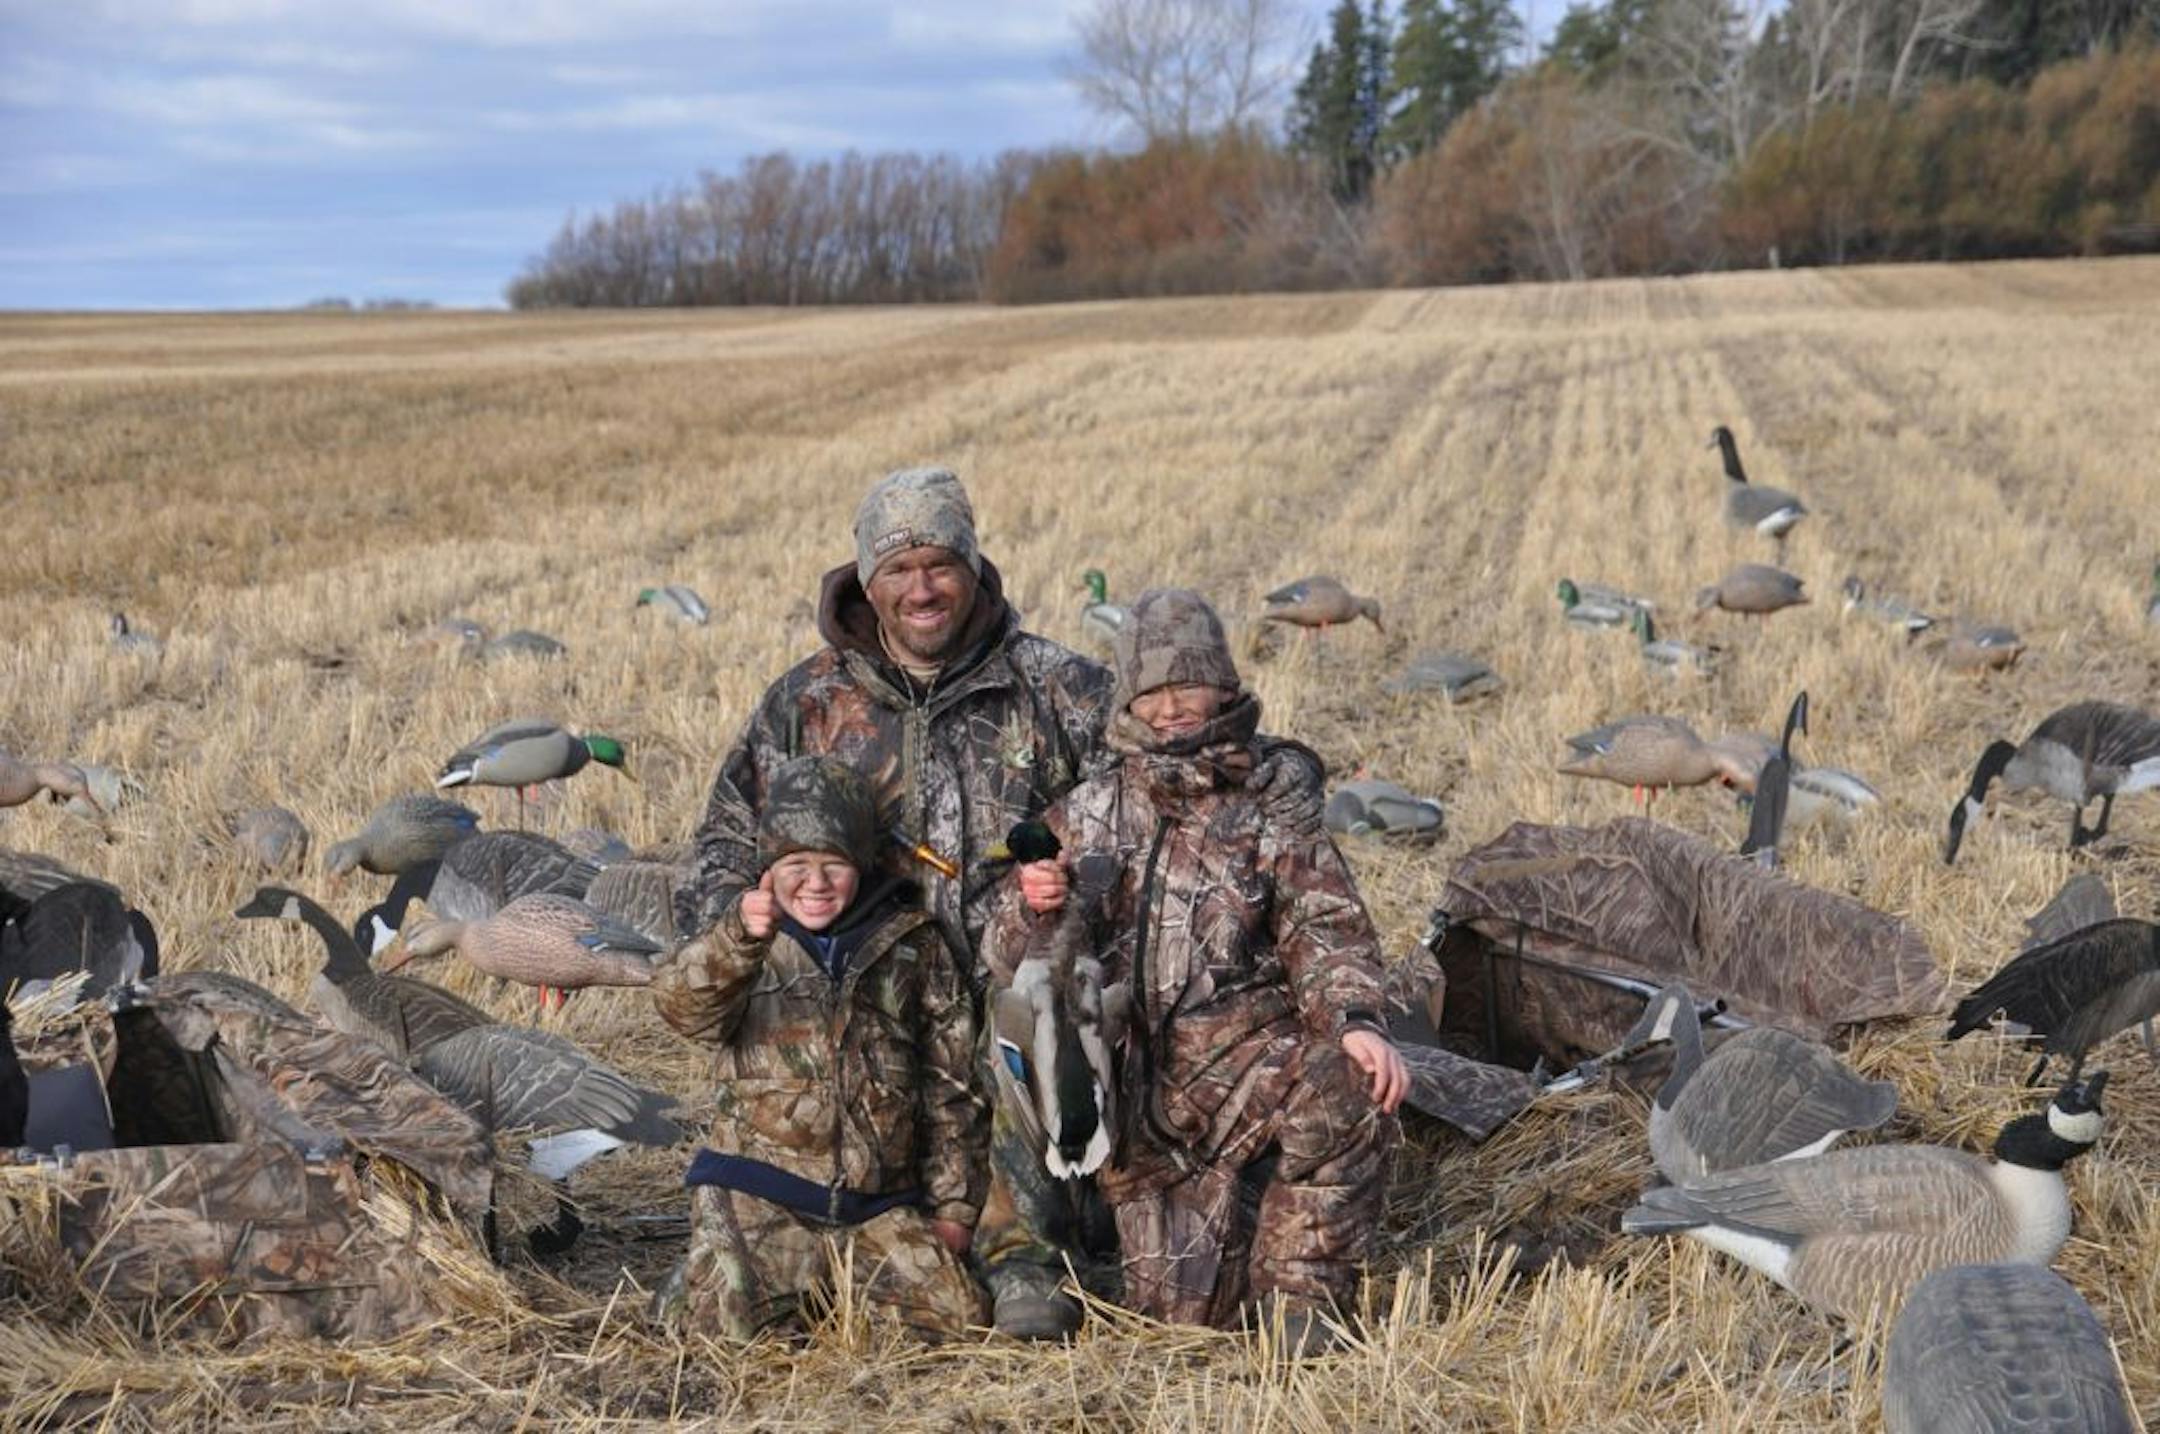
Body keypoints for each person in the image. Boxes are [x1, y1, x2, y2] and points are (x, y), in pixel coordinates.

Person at [675, 466, 1325, 1338]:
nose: (921, 589)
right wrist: (762, 935)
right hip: (872, 991)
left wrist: (1282, 778)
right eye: (897, 571)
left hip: (1014, 980)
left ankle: (1028, 1262)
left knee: (1026, 1007)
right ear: (866, 582)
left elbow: (1182, 751)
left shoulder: (1053, 686)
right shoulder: (807, 703)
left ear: (973, 568)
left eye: (939, 564)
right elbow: (720, 845)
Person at [982, 587, 1406, 1355]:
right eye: (1152, 690)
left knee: (1349, 1081)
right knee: (1184, 1323)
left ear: (1225, 686)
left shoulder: (1273, 804)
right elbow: (1008, 959)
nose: (1172, 706)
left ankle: (1302, 1302)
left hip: (1248, 1072)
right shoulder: (1090, 809)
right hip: (1137, 1100)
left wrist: (1356, 1023)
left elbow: (1327, 930)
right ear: (1130, 702)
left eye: (1188, 683)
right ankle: (1040, 1255)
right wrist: (1031, 903)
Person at [652, 755, 986, 1342]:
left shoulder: (913, 943)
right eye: (796, 864)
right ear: (769, 866)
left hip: (876, 1207)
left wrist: (953, 1211)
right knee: (721, 1334)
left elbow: (951, 1086)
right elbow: (683, 1011)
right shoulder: (742, 935)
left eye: (835, 864)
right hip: (759, 1194)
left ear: (862, 864)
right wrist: (738, 938)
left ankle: (815, 1287)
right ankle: (704, 1277)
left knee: (961, 1322)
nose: (816, 882)